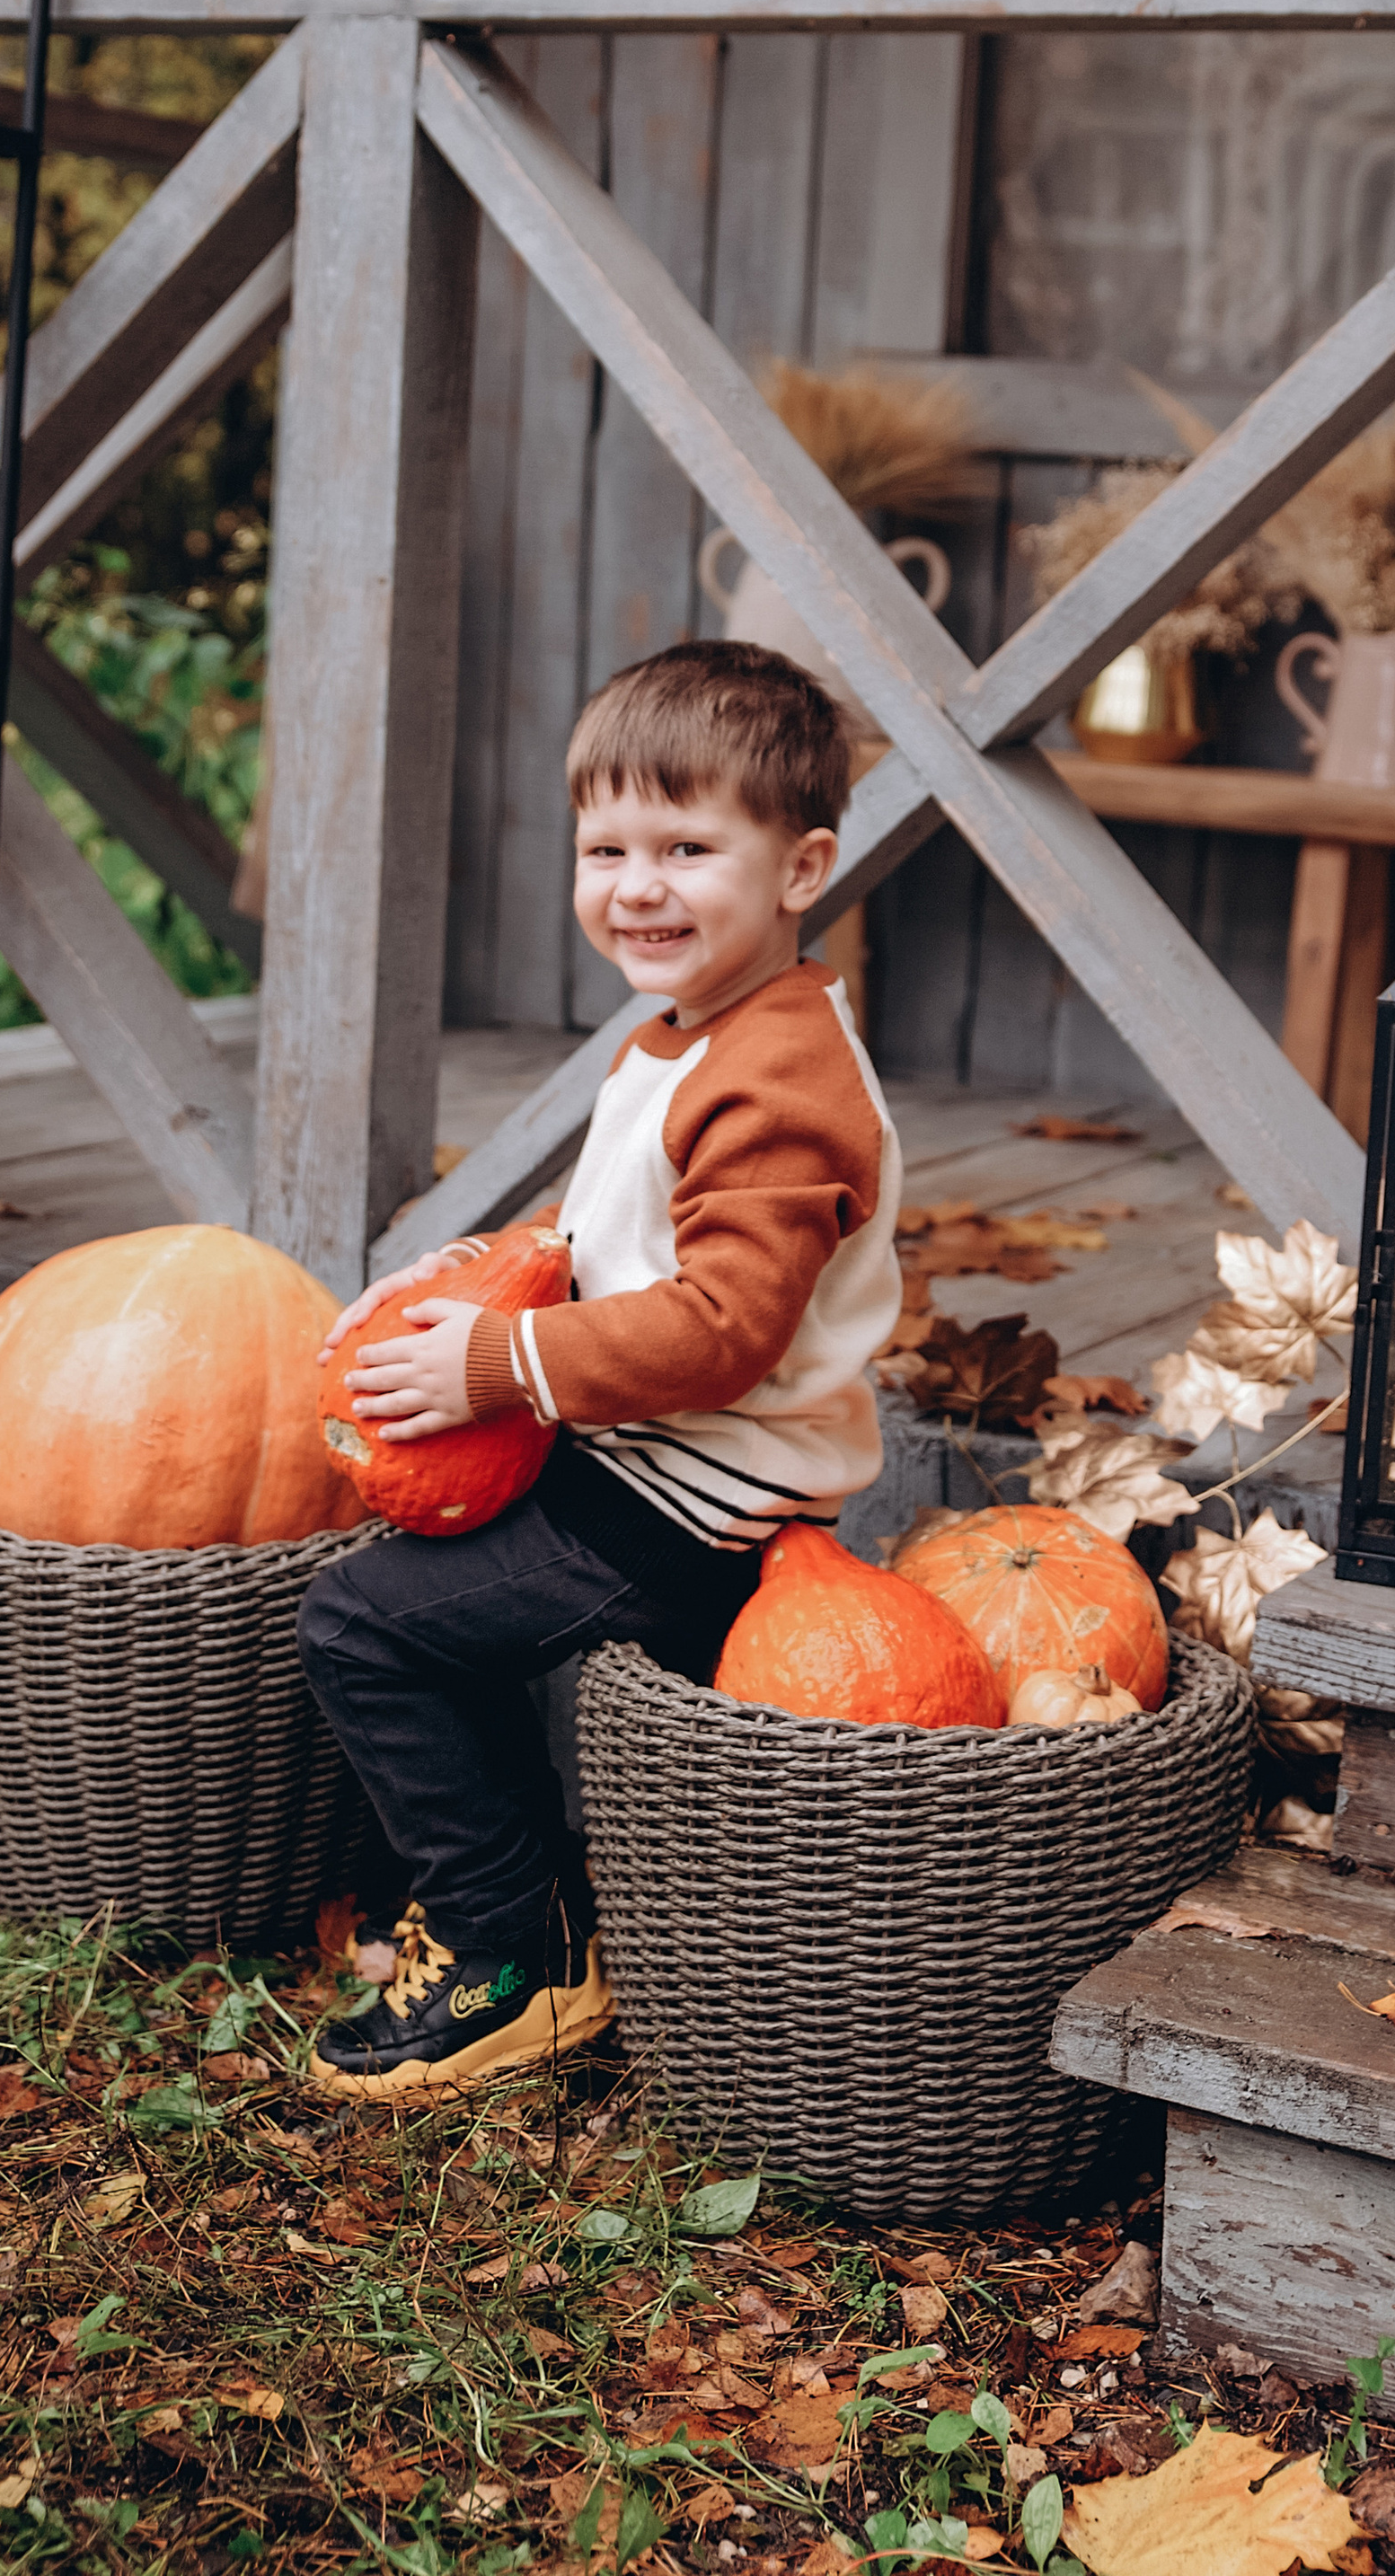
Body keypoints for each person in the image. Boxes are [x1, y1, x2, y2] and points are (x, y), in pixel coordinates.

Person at [298, 639, 902, 2096]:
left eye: (690, 847)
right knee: (416, 1584)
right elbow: (614, 1242)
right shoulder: (697, 1035)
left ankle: (520, 1947)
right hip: (643, 1451)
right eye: (608, 847)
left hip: (704, 1497)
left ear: (801, 866)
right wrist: (459, 1278)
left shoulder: (780, 1081)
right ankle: (521, 1881)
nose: (639, 885)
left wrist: (502, 1363)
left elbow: (721, 1328)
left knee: (367, 1626)